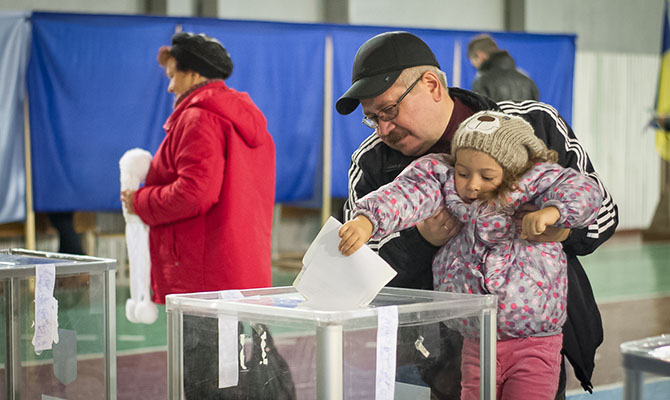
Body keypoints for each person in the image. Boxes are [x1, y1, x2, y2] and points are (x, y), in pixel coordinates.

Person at [336, 31, 618, 399]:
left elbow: (604, 213)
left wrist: (558, 227)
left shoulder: (535, 125)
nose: (383, 128)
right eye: (372, 118)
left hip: (535, 339)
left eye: (389, 111)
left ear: (432, 85)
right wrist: (421, 240)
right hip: (439, 358)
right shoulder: (373, 161)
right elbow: (360, 271)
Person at [120, 32, 278, 398]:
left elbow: (195, 192)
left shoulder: (198, 119)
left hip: (203, 279)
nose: (171, 86)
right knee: (229, 378)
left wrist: (140, 200)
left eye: (174, 75)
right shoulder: (243, 120)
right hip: (237, 270)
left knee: (204, 382)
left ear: (194, 74)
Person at [467, 33, 539, 102]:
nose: (474, 66)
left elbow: (480, 113)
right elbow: (535, 113)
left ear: (480, 55)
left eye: (473, 61)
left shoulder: (482, 80)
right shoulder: (527, 80)